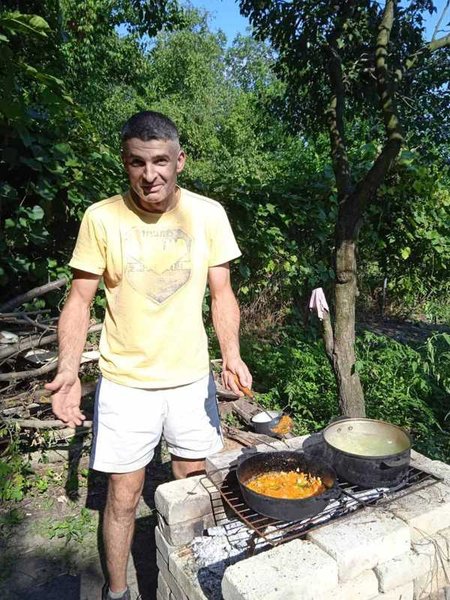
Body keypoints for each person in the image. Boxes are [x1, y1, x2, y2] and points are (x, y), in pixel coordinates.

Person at [45, 111, 252, 600]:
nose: (150, 174)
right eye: (137, 162)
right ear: (125, 163)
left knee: (192, 487)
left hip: (189, 379)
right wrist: (68, 370)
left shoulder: (208, 214)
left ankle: (190, 583)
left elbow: (221, 293)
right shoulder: (102, 218)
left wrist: (232, 355)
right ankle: (117, 591)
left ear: (180, 160)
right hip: (125, 383)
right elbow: (79, 300)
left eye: (160, 161)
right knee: (123, 495)